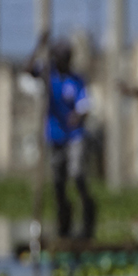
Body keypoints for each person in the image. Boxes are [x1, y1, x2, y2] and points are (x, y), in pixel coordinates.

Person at [25, 35, 95, 240]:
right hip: (55, 135)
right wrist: (39, 47)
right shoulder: (48, 75)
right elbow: (28, 71)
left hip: (75, 135)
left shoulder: (77, 79)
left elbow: (85, 105)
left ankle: (88, 215)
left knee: (77, 174)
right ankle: (64, 224)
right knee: (58, 183)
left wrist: (78, 115)